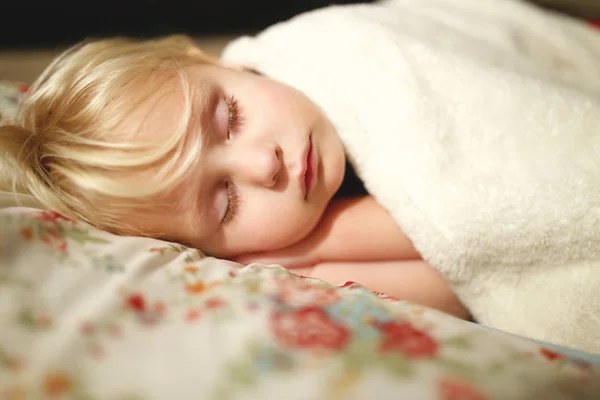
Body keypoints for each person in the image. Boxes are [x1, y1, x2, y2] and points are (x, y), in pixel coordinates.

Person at [0, 34, 469, 319]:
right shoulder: (297, 269)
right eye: (226, 204)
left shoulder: (329, 55)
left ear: (213, 62)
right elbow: (470, 272)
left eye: (231, 118)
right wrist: (310, 255)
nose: (264, 165)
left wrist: (321, 238)